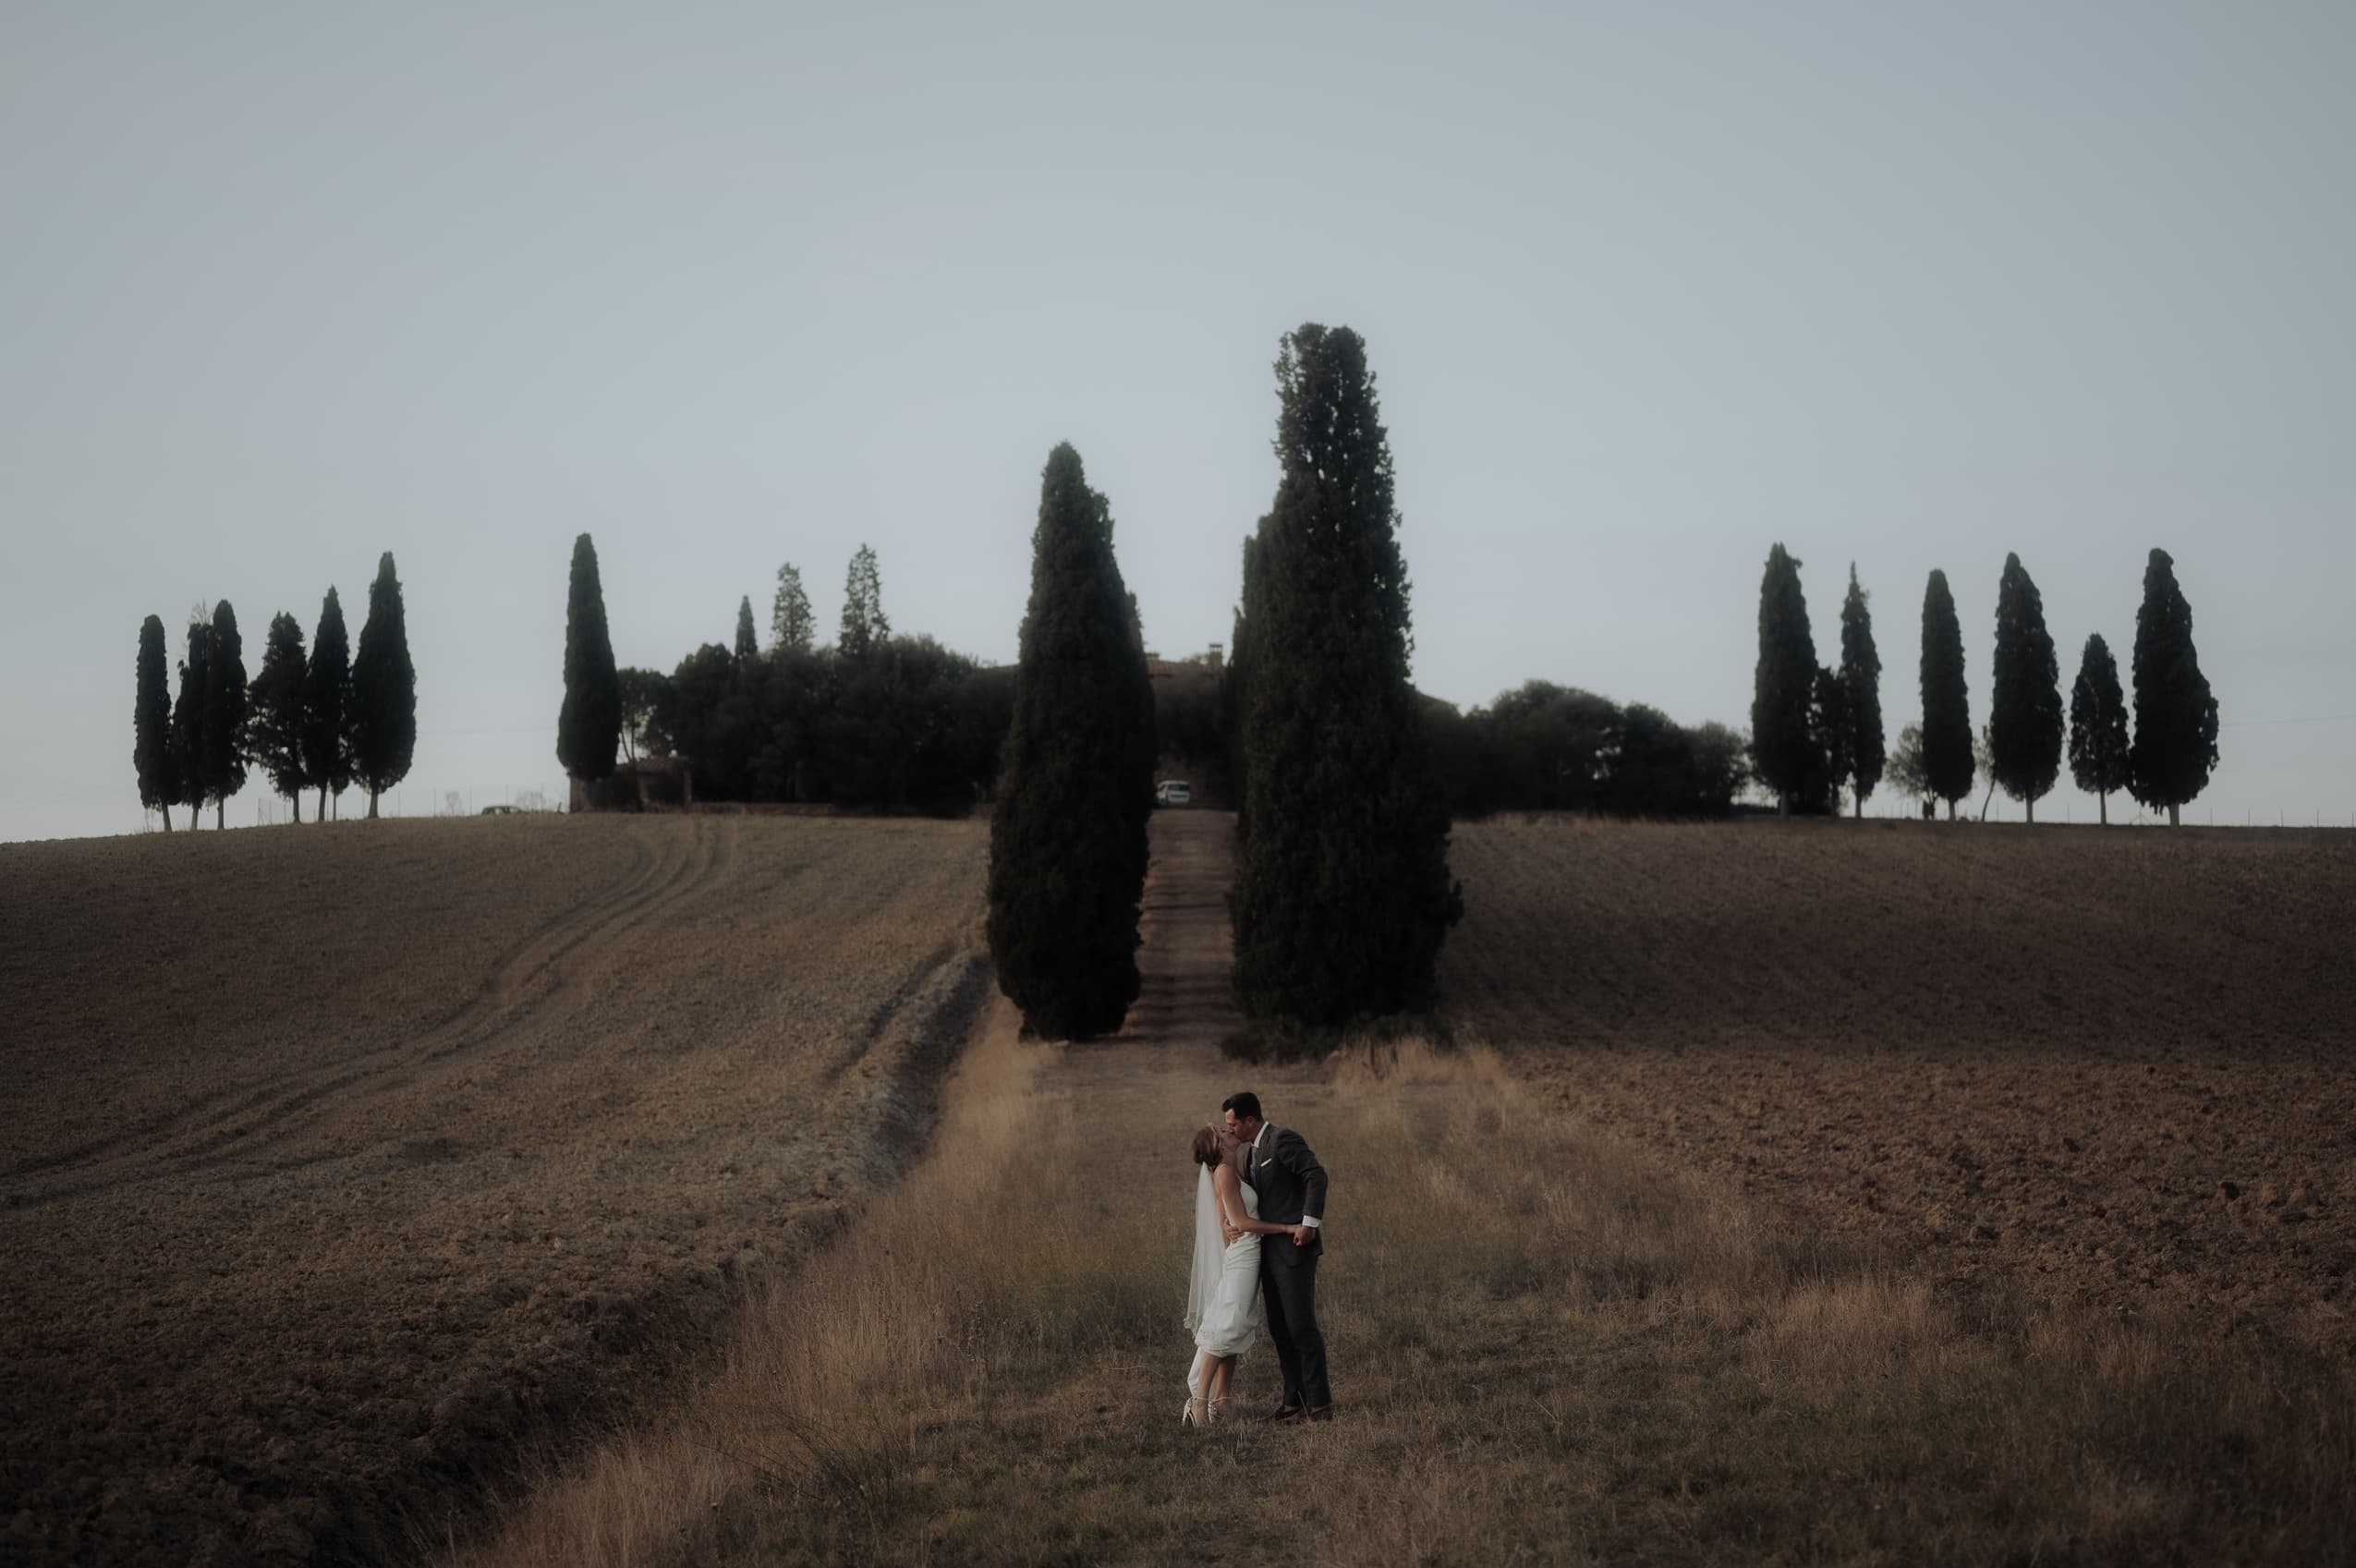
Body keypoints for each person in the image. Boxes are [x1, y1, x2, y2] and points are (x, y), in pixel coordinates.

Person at [1221, 1090, 1331, 1421]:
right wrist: (1230, 1224)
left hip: (1296, 1248)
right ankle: (1293, 1402)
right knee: (1280, 1330)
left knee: (1301, 1327)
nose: (1230, 1131)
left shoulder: (1282, 1140)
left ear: (1250, 1121)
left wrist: (1308, 1223)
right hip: (1268, 1253)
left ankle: (1320, 1404)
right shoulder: (1250, 1156)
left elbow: (1316, 1175)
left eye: (1233, 1124)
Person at [1182, 1122, 1283, 1425]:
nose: (1231, 1133)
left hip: (1244, 1255)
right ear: (1220, 1145)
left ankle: (1222, 1399)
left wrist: (1226, 1223)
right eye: (1225, 1133)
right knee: (1229, 1324)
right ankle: (1200, 1402)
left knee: (1235, 1327)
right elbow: (1243, 1220)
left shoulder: (1228, 1170)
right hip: (1244, 1256)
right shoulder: (1224, 1172)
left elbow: (1222, 1212)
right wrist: (1285, 1228)